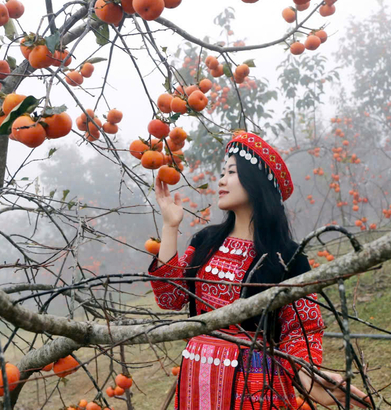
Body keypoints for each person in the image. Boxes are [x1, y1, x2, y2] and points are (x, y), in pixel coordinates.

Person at [149, 131, 369, 409]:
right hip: (197, 380)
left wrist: (308, 375)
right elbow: (170, 298)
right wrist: (170, 226)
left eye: (231, 172)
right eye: (222, 172)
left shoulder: (287, 256)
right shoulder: (205, 241)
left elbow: (301, 328)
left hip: (256, 385)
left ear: (256, 182)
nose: (221, 180)